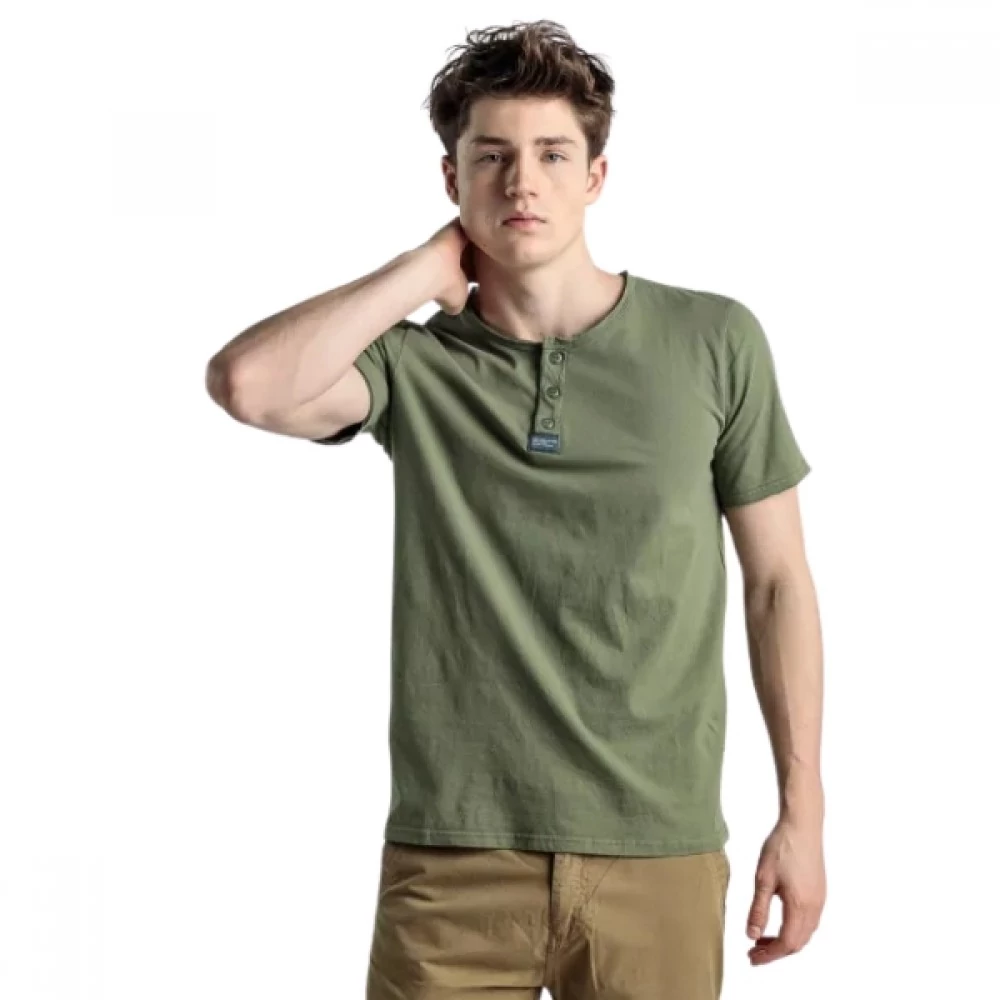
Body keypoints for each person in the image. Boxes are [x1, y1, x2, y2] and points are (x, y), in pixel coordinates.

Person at [205, 18, 826, 1000]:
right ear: (450, 179)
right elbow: (247, 385)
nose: (521, 182)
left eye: (551, 154)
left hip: (654, 848)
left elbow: (777, 584)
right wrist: (420, 273)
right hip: (452, 855)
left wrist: (803, 811)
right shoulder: (412, 366)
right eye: (490, 156)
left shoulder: (713, 341)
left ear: (596, 176)